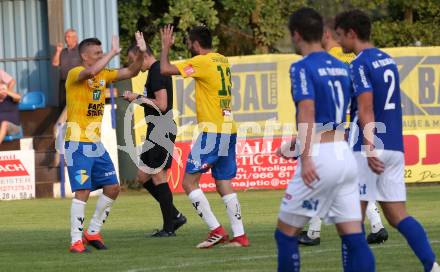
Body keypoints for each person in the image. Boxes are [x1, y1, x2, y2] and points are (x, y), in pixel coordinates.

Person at [335, 9, 439, 272]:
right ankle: (433, 266)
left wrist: (369, 147)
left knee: (351, 221)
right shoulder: (387, 60)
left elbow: (366, 107)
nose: (339, 43)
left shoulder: (359, 63)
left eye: (340, 36)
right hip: (393, 146)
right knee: (397, 215)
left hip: (367, 149)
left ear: (352, 33)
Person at [275, 8, 375, 271]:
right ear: (323, 33)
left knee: (285, 234)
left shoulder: (301, 67)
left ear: (296, 35)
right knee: (354, 237)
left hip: (320, 157)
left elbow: (307, 112)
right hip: (344, 153)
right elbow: (335, 116)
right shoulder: (343, 67)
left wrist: (305, 156)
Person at [297, 17, 388, 246]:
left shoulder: (328, 60)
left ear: (325, 35)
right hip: (358, 122)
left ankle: (313, 232)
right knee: (344, 179)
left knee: (324, 175)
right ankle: (376, 225)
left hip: (336, 125)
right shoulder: (353, 57)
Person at [160, 25, 249, 248]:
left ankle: (216, 230)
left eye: (190, 43)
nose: (189, 46)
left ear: (196, 44)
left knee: (189, 182)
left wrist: (165, 48)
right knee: (223, 182)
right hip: (229, 128)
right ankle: (240, 236)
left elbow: (165, 69)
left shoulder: (202, 61)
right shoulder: (222, 60)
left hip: (213, 131)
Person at [65, 32, 146, 253]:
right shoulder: (75, 73)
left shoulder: (104, 75)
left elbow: (131, 71)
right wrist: (112, 52)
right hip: (77, 142)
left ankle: (92, 231)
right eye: (97, 53)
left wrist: (140, 51)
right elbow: (90, 72)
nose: (101, 56)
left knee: (113, 187)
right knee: (82, 191)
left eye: (102, 52)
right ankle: (75, 241)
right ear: (85, 56)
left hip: (95, 143)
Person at [123, 43, 186, 237]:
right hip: (155, 129)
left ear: (142, 55)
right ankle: (174, 214)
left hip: (162, 129)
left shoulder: (157, 71)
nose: (133, 66)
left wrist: (137, 97)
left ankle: (169, 228)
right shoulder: (154, 71)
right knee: (143, 177)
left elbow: (162, 104)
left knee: (158, 176)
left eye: (132, 61)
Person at [52, 28, 81, 110]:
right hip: (63, 82)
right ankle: (63, 122)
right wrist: (58, 51)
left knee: (75, 105)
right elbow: (55, 64)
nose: (66, 39)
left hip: (76, 81)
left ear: (75, 38)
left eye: (68, 37)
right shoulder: (63, 51)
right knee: (63, 105)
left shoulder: (81, 50)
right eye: (65, 37)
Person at [0, 69, 21, 144]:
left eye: (3, 88)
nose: (2, 91)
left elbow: (18, 97)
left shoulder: (11, 98)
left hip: (13, 128)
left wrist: (7, 91)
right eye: (0, 89)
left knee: (4, 123)